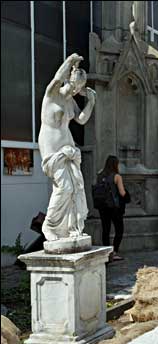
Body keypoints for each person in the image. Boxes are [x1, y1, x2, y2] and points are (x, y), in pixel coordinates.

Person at [38, 53, 96, 241]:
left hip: (68, 147)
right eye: (73, 86)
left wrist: (91, 102)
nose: (74, 92)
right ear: (67, 81)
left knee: (74, 188)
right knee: (64, 188)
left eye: (78, 89)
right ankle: (49, 225)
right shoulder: (52, 94)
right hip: (52, 149)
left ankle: (70, 228)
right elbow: (57, 78)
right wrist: (70, 61)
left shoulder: (70, 101)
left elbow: (81, 119)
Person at [97, 155, 128, 261]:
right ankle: (114, 252)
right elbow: (122, 192)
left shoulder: (100, 174)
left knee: (105, 230)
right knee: (119, 229)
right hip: (114, 207)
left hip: (102, 206)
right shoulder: (116, 176)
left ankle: (107, 253)